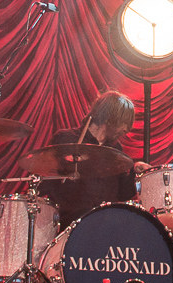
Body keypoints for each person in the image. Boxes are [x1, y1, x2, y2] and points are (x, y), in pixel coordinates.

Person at [38, 89, 142, 226]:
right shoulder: (66, 139)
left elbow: (122, 194)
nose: (127, 129)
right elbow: (45, 181)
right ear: (111, 117)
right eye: (125, 122)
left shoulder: (115, 150)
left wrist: (136, 171)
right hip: (68, 223)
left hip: (105, 223)